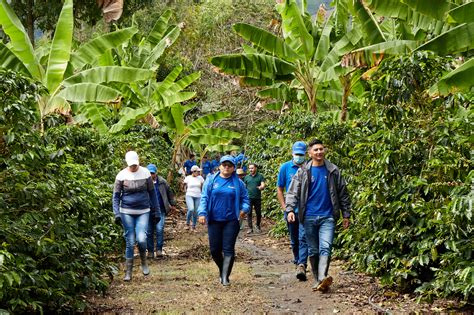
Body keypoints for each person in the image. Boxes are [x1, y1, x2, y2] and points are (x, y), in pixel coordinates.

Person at [286, 139, 351, 292]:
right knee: (313, 250)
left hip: (327, 216)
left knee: (326, 248)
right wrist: (289, 210)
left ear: (325, 150)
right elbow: (292, 192)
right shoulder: (303, 171)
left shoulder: (333, 170)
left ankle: (322, 277)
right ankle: (317, 279)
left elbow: (343, 193)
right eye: (315, 150)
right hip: (308, 217)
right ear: (310, 153)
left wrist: (346, 214)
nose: (319, 152)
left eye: (321, 149)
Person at [197, 155, 250, 286]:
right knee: (215, 250)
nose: (226, 167)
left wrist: (244, 209)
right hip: (214, 219)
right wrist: (202, 213)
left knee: (228, 248)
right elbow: (204, 198)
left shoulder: (238, 183)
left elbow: (245, 200)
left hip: (232, 220)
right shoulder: (211, 181)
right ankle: (222, 270)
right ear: (219, 166)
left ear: (233, 168)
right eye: (224, 165)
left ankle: (225, 277)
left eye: (230, 165)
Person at [113, 151, 159, 281]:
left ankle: (144, 262)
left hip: (143, 210)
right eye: (131, 165)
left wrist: (156, 211)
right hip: (126, 211)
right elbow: (116, 196)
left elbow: (152, 193)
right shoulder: (121, 175)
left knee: (142, 239)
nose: (133, 167)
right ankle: (129, 271)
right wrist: (116, 213)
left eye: (135, 165)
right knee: (130, 241)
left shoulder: (145, 173)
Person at [277, 141, 309, 281]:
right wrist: (285, 207)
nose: (299, 157)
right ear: (292, 153)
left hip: (306, 210)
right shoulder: (285, 168)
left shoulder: (309, 167)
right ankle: (297, 260)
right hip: (290, 210)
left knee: (304, 237)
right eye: (297, 154)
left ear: (305, 154)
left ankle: (302, 264)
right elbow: (280, 188)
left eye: (301, 154)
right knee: (294, 238)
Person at [146, 164, 177, 258]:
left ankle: (159, 249)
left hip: (160, 210)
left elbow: (169, 193)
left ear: (156, 173)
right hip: (148, 210)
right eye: (149, 173)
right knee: (149, 231)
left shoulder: (162, 182)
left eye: (153, 173)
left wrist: (173, 204)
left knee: (159, 229)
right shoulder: (143, 183)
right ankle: (150, 251)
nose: (151, 175)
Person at [243, 163, 265, 234]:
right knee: (249, 213)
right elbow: (244, 187)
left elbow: (263, 184)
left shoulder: (260, 176)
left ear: (256, 168)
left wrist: (261, 187)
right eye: (249, 168)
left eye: (252, 168)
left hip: (257, 198)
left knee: (258, 213)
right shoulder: (246, 177)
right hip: (248, 198)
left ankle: (258, 225)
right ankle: (250, 228)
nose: (251, 170)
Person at [184, 165, 205, 231]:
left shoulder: (200, 178)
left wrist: (202, 194)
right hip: (189, 195)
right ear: (193, 172)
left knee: (196, 212)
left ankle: (193, 225)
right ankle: (187, 223)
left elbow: (202, 187)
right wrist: (185, 191)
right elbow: (183, 185)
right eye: (197, 171)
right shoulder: (188, 178)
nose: (199, 173)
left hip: (198, 196)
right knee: (191, 209)